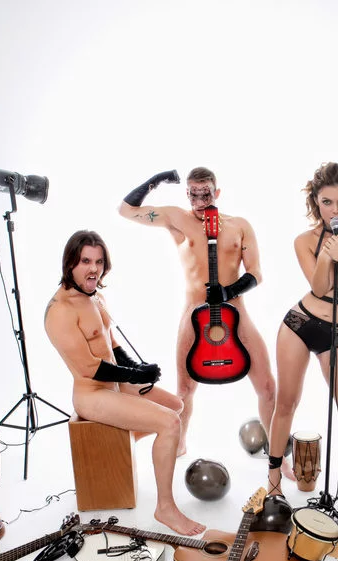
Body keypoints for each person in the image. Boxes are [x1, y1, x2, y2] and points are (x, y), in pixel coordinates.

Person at [118, 167, 291, 475]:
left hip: (236, 312)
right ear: (187, 193)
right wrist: (158, 180)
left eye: (206, 194)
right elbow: (126, 210)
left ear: (217, 192)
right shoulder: (176, 218)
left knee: (267, 386)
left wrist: (228, 291)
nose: (199, 201)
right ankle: (179, 444)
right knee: (184, 391)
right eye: (193, 194)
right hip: (193, 314)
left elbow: (256, 273)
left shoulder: (239, 225)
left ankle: (277, 456)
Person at [44, 229, 206, 536]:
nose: (94, 269)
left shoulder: (95, 296)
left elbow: (112, 344)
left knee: (176, 405)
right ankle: (165, 507)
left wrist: (136, 366)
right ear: (70, 264)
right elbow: (89, 367)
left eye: (99, 262)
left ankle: (124, 444)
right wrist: (135, 376)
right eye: (86, 261)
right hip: (92, 394)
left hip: (115, 384)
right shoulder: (60, 311)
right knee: (169, 423)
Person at [268, 162, 338, 501]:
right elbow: (319, 288)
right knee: (286, 403)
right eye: (327, 202)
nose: (335, 210)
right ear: (316, 202)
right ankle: (273, 479)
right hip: (300, 325)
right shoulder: (304, 241)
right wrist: (326, 254)